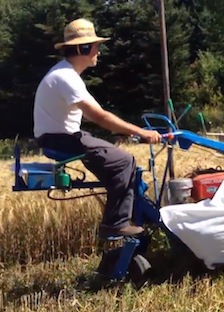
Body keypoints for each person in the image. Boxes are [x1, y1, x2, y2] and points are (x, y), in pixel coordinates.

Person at [33, 18, 162, 238]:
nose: (98, 52)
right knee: (124, 162)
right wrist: (141, 132)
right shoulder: (66, 77)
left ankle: (140, 218)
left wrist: (127, 131)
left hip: (61, 136)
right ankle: (116, 223)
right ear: (83, 48)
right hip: (60, 139)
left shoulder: (66, 74)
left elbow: (96, 113)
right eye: (95, 46)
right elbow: (100, 116)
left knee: (118, 163)